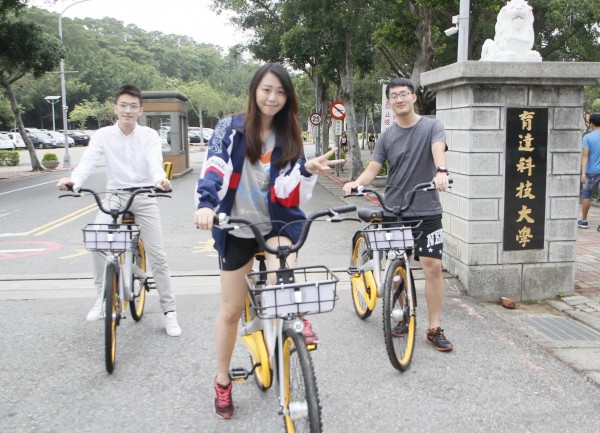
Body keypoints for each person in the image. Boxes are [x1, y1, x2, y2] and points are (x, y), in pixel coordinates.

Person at [194, 63, 342, 420]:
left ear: (287, 97)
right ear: (254, 92)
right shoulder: (230, 127)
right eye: (267, 90)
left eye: (280, 92)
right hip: (235, 224)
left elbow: (287, 193)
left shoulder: (290, 136)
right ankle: (222, 380)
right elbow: (214, 165)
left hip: (276, 222)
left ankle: (297, 320)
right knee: (231, 310)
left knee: (283, 279)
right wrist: (206, 203)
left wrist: (306, 170)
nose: (273, 97)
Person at [57, 84, 181, 338]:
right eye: (123, 105)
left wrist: (160, 181)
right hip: (115, 196)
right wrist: (74, 182)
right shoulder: (103, 135)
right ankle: (102, 299)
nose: (128, 110)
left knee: (157, 255)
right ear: (115, 108)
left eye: (133, 106)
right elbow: (88, 162)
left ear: (140, 110)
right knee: (97, 240)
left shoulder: (149, 135)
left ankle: (170, 312)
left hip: (145, 195)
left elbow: (154, 163)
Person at [342, 77, 452, 352]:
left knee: (433, 267)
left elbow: (438, 149)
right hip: (394, 210)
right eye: (394, 96)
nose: (399, 99)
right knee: (396, 271)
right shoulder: (387, 135)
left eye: (404, 94)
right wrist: (357, 182)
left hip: (427, 209)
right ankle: (402, 314)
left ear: (414, 97)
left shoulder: (432, 126)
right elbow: (374, 168)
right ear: (389, 102)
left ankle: (434, 327)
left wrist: (441, 171)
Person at [578, 113, 600, 229]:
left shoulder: (588, 137)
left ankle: (584, 220)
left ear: (591, 123)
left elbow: (585, 155)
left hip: (591, 171)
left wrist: (583, 172)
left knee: (587, 195)